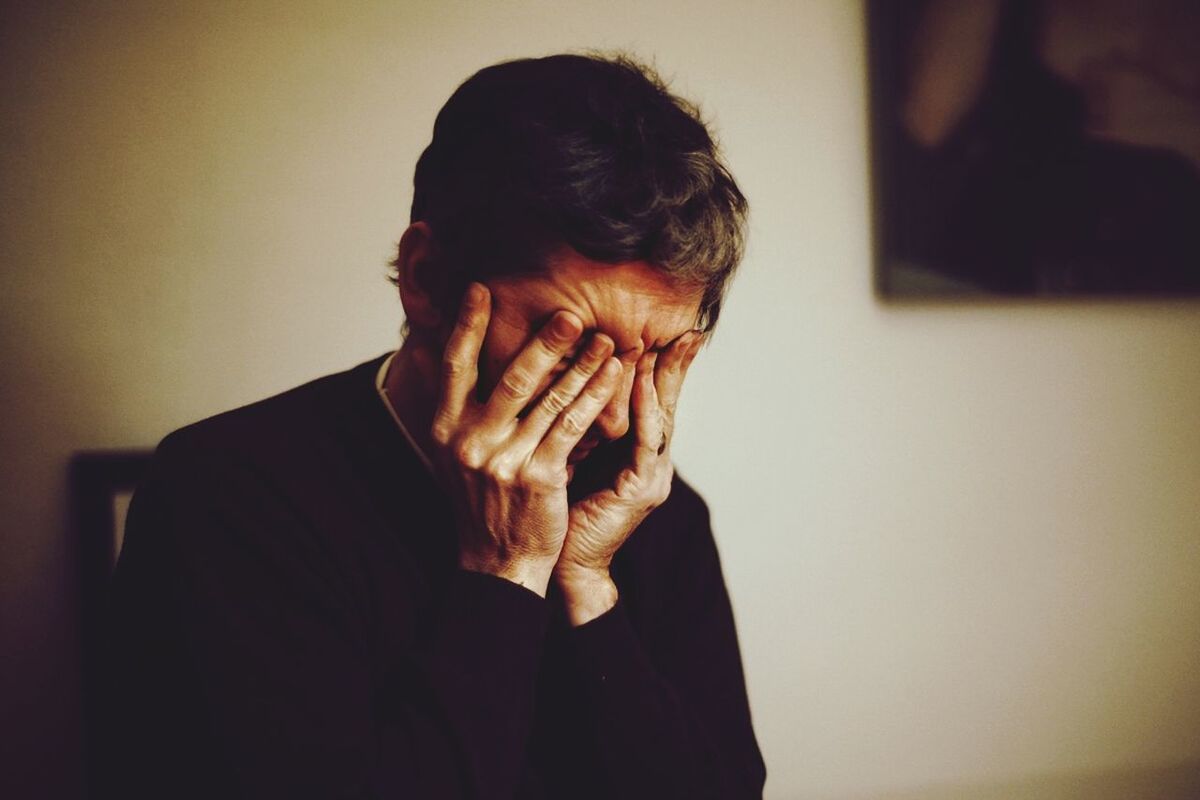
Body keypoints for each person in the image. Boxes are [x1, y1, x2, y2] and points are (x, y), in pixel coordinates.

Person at [97, 53, 765, 799]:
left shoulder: (647, 513)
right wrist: (506, 572)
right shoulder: (223, 496)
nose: (613, 414)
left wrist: (585, 585)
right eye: (572, 345)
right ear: (427, 279)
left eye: (654, 358)